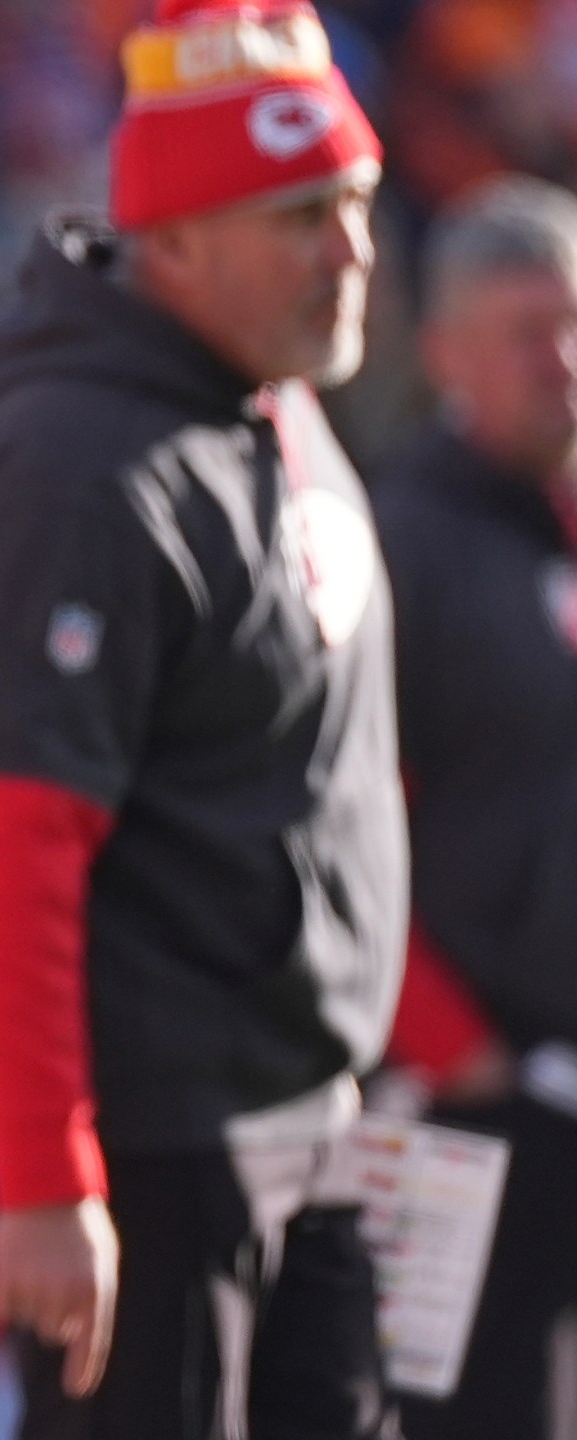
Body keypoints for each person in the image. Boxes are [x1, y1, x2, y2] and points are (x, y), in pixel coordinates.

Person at [0, 1, 407, 1436]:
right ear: (177, 238)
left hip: (311, 1118)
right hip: (154, 1153)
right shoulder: (72, 466)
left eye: (359, 204)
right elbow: (4, 858)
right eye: (303, 216)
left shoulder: (278, 407)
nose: (354, 251)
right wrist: (47, 1179)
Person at [373, 175, 577, 1440]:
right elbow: (338, 825)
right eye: (522, 334)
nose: (558, 362)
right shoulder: (393, 544)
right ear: (445, 352)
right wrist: (449, 1043)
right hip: (464, 1110)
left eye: (572, 327)